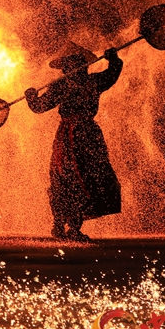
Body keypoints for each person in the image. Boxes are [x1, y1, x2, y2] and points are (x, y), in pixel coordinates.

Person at [25, 42, 123, 242]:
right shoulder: (65, 84)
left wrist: (114, 59)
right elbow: (40, 107)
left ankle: (69, 226)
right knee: (68, 177)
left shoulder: (86, 82)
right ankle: (62, 224)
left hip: (83, 134)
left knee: (81, 177)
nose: (76, 66)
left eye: (77, 62)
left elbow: (112, 74)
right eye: (71, 63)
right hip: (72, 136)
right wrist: (32, 98)